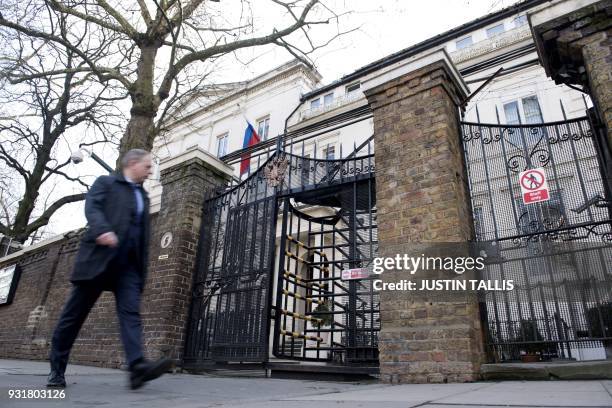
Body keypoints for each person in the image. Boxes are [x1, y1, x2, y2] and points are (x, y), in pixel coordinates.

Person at [47, 149, 172, 389]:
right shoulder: (106, 183)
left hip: (128, 268)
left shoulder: (143, 197)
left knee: (131, 315)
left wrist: (141, 272)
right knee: (73, 317)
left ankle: (137, 369)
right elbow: (92, 209)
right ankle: (56, 370)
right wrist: (103, 230)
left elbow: (143, 236)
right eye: (147, 167)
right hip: (98, 260)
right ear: (132, 163)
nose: (150, 172)